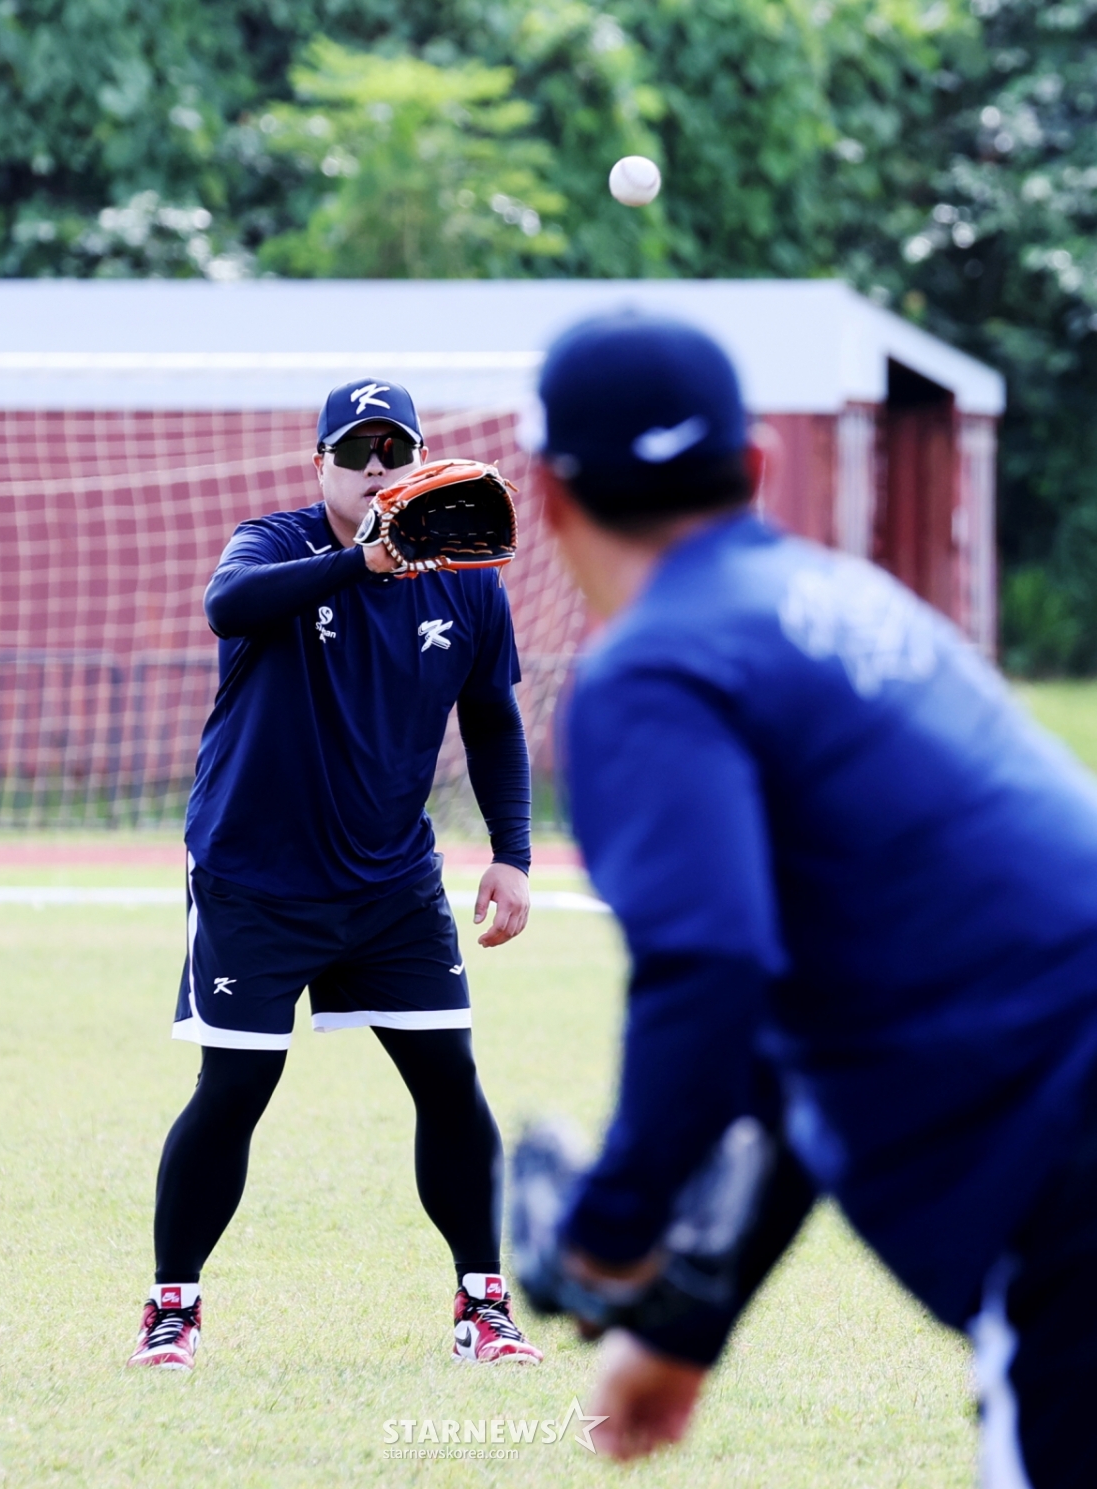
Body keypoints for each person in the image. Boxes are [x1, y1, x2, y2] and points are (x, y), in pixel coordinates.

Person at [530, 312, 1097, 1486]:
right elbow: (782, 1041)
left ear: (547, 497)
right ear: (757, 468)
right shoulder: (850, 602)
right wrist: (684, 1326)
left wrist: (610, 1234)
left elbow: (712, 968)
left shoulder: (654, 669)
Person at [128, 378, 542, 1371]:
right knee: (234, 1087)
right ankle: (172, 1307)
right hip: (256, 877)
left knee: (449, 1080)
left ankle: (482, 1303)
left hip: (390, 885)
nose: (373, 468)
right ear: (320, 465)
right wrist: (364, 561)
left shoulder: (468, 580)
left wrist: (513, 854)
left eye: (391, 450)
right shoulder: (272, 544)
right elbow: (227, 604)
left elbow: (492, 718)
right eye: (353, 452)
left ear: (419, 463)